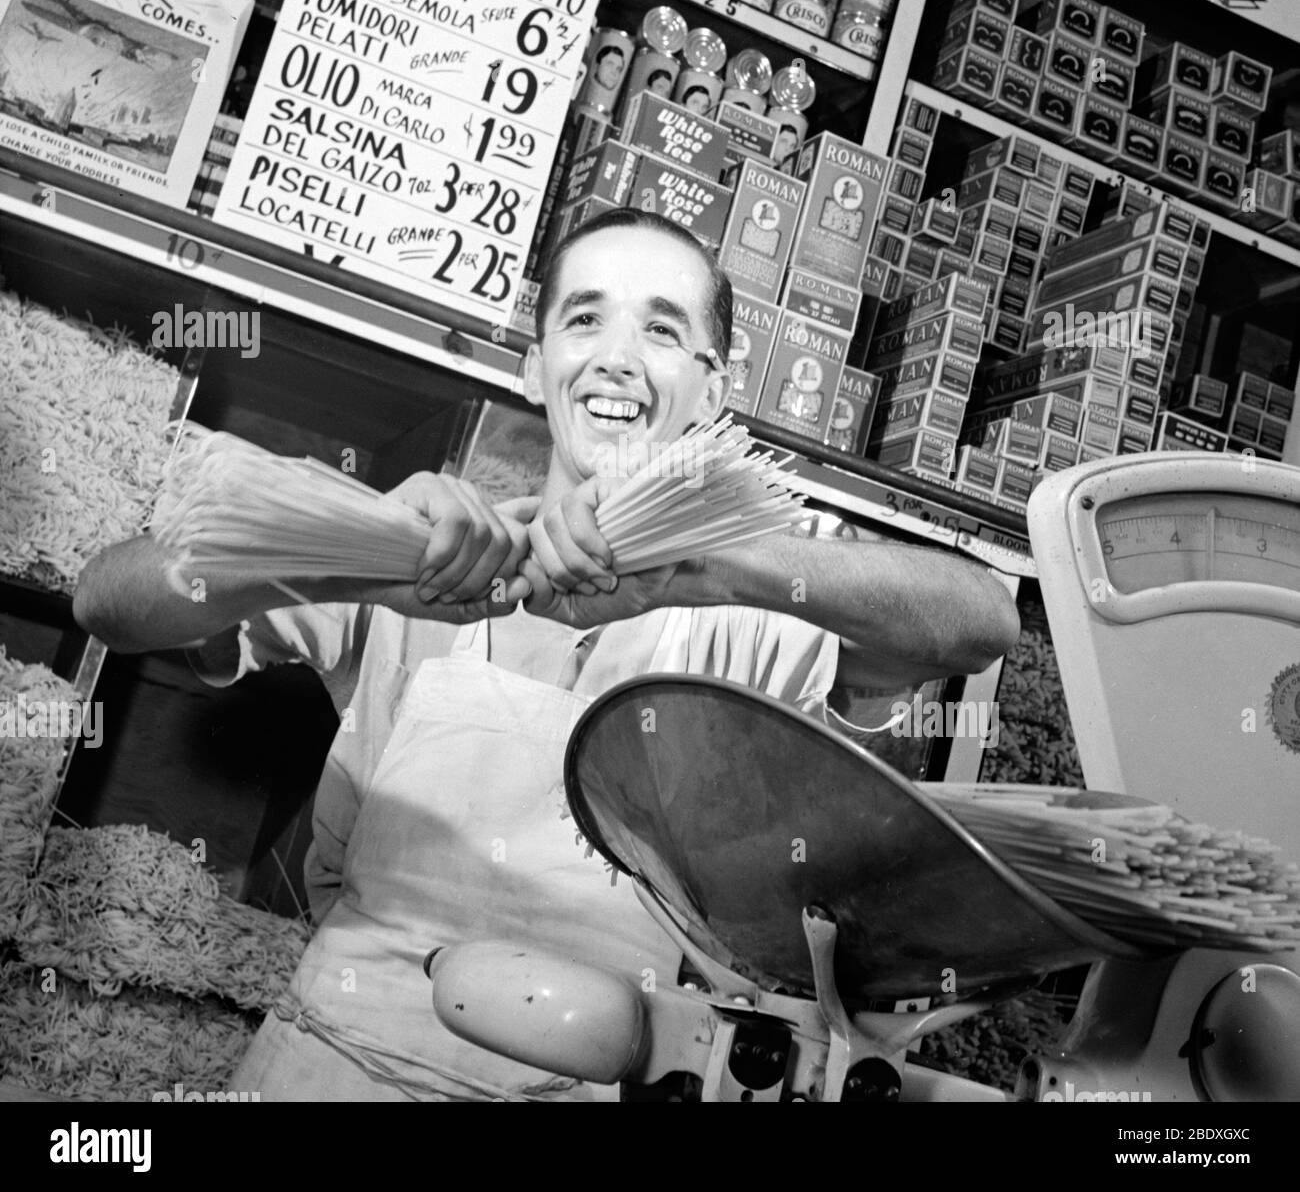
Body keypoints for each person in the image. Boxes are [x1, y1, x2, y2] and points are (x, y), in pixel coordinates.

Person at [74, 209, 1020, 1101]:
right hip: (336, 1063)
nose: (616, 360)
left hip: (600, 1076)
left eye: (660, 330)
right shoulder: (418, 541)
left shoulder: (742, 610)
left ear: (713, 389)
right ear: (535, 367)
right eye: (584, 320)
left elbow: (979, 621)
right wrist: (350, 562)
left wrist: (720, 566)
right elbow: (111, 602)